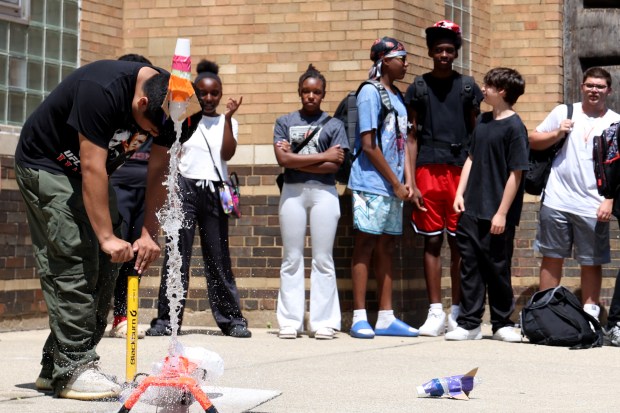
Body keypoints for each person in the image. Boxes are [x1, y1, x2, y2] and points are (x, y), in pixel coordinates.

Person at [14, 59, 198, 400]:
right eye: (152, 129)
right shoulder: (102, 90)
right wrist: (105, 236)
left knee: (107, 262)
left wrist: (148, 233)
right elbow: (91, 165)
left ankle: (55, 365)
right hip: (47, 164)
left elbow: (159, 170)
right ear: (142, 103)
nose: (154, 136)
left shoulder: (178, 105)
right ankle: (74, 367)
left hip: (90, 174)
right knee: (73, 253)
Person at [146, 59, 251, 339]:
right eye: (202, 93)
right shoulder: (184, 119)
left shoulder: (228, 122)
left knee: (218, 259)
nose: (208, 98)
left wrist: (228, 119)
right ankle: (167, 320)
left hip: (215, 191)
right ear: (195, 93)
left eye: (214, 93)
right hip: (186, 189)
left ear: (220, 94)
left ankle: (231, 320)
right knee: (177, 255)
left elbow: (227, 154)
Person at [404, 20, 483, 336]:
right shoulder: (418, 88)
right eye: (439, 50)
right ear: (430, 52)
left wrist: (475, 177)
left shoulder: (467, 87)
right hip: (427, 169)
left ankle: (459, 312)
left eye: (450, 50)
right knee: (432, 241)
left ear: (456, 53)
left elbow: (477, 135)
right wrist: (410, 181)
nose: (444, 55)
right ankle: (435, 312)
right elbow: (410, 138)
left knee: (460, 244)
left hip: (460, 172)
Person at [530, 67, 620, 322]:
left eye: (600, 86)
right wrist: (558, 133)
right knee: (551, 257)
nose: (594, 90)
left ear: (609, 91)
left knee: (591, 262)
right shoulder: (564, 111)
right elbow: (533, 139)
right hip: (557, 199)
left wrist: (609, 199)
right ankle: (544, 316)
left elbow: (618, 167)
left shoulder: (615, 121)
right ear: (582, 87)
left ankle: (589, 319)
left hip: (593, 204)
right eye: (590, 85)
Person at [445, 67, 528, 342]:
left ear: (501, 91)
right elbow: (470, 158)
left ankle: (503, 322)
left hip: (496, 212)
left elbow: (517, 173)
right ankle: (469, 324)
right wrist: (459, 193)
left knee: (497, 267)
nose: (484, 88)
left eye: (488, 85)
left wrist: (502, 213)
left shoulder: (515, 127)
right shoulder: (482, 120)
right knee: (470, 266)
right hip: (472, 208)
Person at [348, 37, 418, 339]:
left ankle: (386, 317)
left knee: (387, 246)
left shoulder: (398, 97)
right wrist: (394, 182)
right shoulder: (369, 93)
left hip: (394, 187)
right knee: (365, 244)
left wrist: (409, 183)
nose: (405, 63)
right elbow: (368, 144)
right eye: (401, 57)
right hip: (371, 183)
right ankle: (359, 316)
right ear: (384, 61)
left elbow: (405, 144)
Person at [273, 64, 347, 340]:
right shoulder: (284, 122)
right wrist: (322, 155)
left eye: (316, 91)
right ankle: (290, 321)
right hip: (292, 192)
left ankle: (323, 321)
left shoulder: (335, 125)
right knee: (291, 258)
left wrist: (297, 161)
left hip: (324, 193)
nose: (310, 96)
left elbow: (334, 167)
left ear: (323, 93)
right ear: (299, 92)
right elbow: (284, 162)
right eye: (306, 91)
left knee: (323, 258)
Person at [109, 53, 153, 340]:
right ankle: (109, 315)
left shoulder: (150, 109)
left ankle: (127, 315)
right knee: (116, 251)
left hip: (145, 190)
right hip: (118, 187)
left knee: (138, 254)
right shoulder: (113, 109)